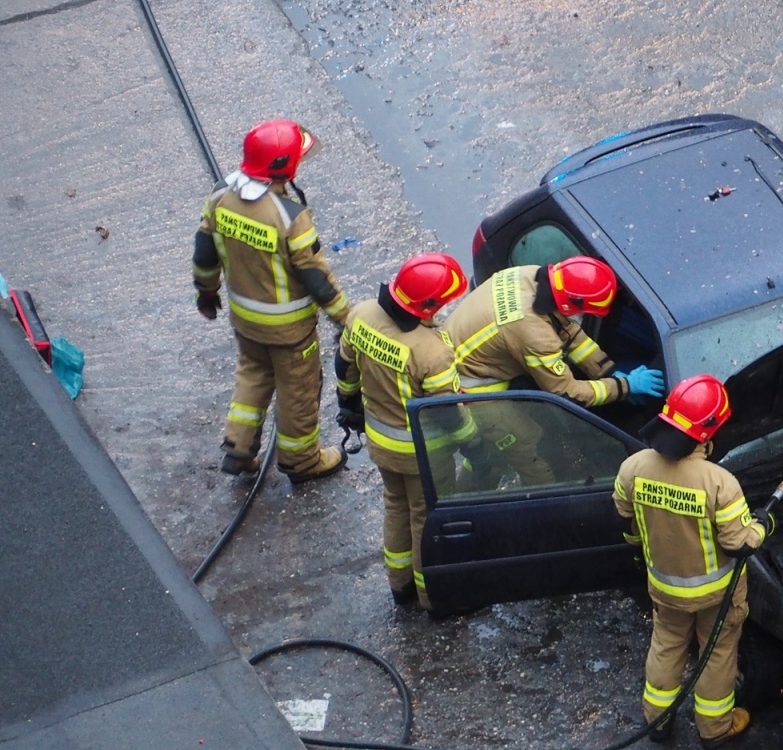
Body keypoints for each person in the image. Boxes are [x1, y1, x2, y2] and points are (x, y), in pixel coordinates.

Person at [612, 374, 771, 749]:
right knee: (717, 653)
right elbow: (739, 543)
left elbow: (625, 521)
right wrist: (764, 526)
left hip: (664, 587)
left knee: (666, 645)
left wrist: (640, 549)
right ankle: (714, 729)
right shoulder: (719, 482)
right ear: (708, 431)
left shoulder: (632, 468)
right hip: (717, 596)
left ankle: (658, 721)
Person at [192, 119, 351, 484]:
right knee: (299, 391)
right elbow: (316, 277)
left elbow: (204, 254)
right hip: (290, 331)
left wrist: (206, 291)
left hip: (245, 321)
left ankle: (239, 445)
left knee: (254, 373)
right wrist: (346, 318)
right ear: (285, 166)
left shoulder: (220, 196)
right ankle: (302, 461)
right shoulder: (290, 217)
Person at [445, 257, 664, 484]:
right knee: (525, 442)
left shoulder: (532, 276)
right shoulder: (534, 333)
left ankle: (482, 468)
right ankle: (542, 496)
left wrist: (607, 370)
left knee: (495, 445)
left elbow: (567, 330)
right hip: (470, 387)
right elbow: (565, 393)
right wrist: (624, 386)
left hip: (466, 355)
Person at [335, 254, 469, 609]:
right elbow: (447, 415)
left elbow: (344, 367)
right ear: (427, 306)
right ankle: (434, 596)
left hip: (381, 444)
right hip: (424, 455)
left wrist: (348, 405)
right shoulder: (432, 352)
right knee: (427, 520)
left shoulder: (362, 314)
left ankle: (400, 585)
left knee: (396, 506)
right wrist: (473, 441)